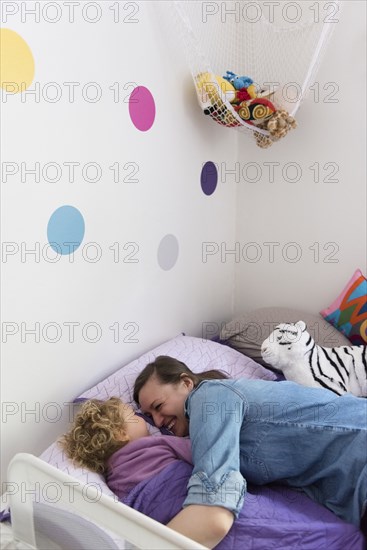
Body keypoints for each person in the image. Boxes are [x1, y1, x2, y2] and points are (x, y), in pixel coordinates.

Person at [134, 355, 367, 549]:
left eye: (158, 406)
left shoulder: (208, 397)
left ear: (186, 383)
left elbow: (214, 509)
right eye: (149, 416)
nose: (158, 421)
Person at [60, 397, 193, 500]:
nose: (144, 419)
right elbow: (200, 452)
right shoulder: (157, 443)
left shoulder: (113, 480)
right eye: (134, 415)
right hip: (181, 492)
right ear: (122, 434)